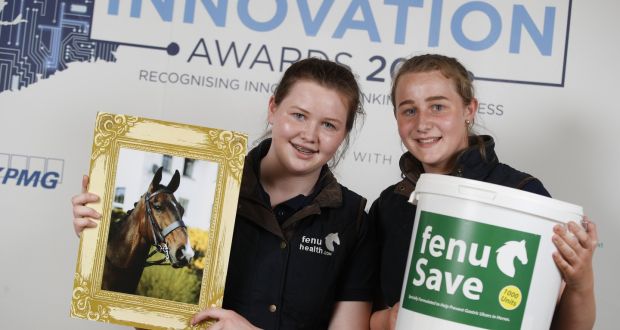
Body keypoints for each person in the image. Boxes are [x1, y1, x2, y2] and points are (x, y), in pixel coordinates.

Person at [72, 58, 376, 329]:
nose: (309, 135)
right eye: (298, 115)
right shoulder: (219, 187)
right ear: (273, 108)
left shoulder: (353, 221)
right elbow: (154, 313)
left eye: (328, 125)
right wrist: (98, 240)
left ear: (344, 134)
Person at [368, 54, 597, 330]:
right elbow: (363, 312)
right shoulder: (389, 205)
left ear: (469, 109)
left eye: (437, 106)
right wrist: (386, 321)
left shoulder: (522, 194)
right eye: (409, 110)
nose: (422, 123)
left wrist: (581, 281)